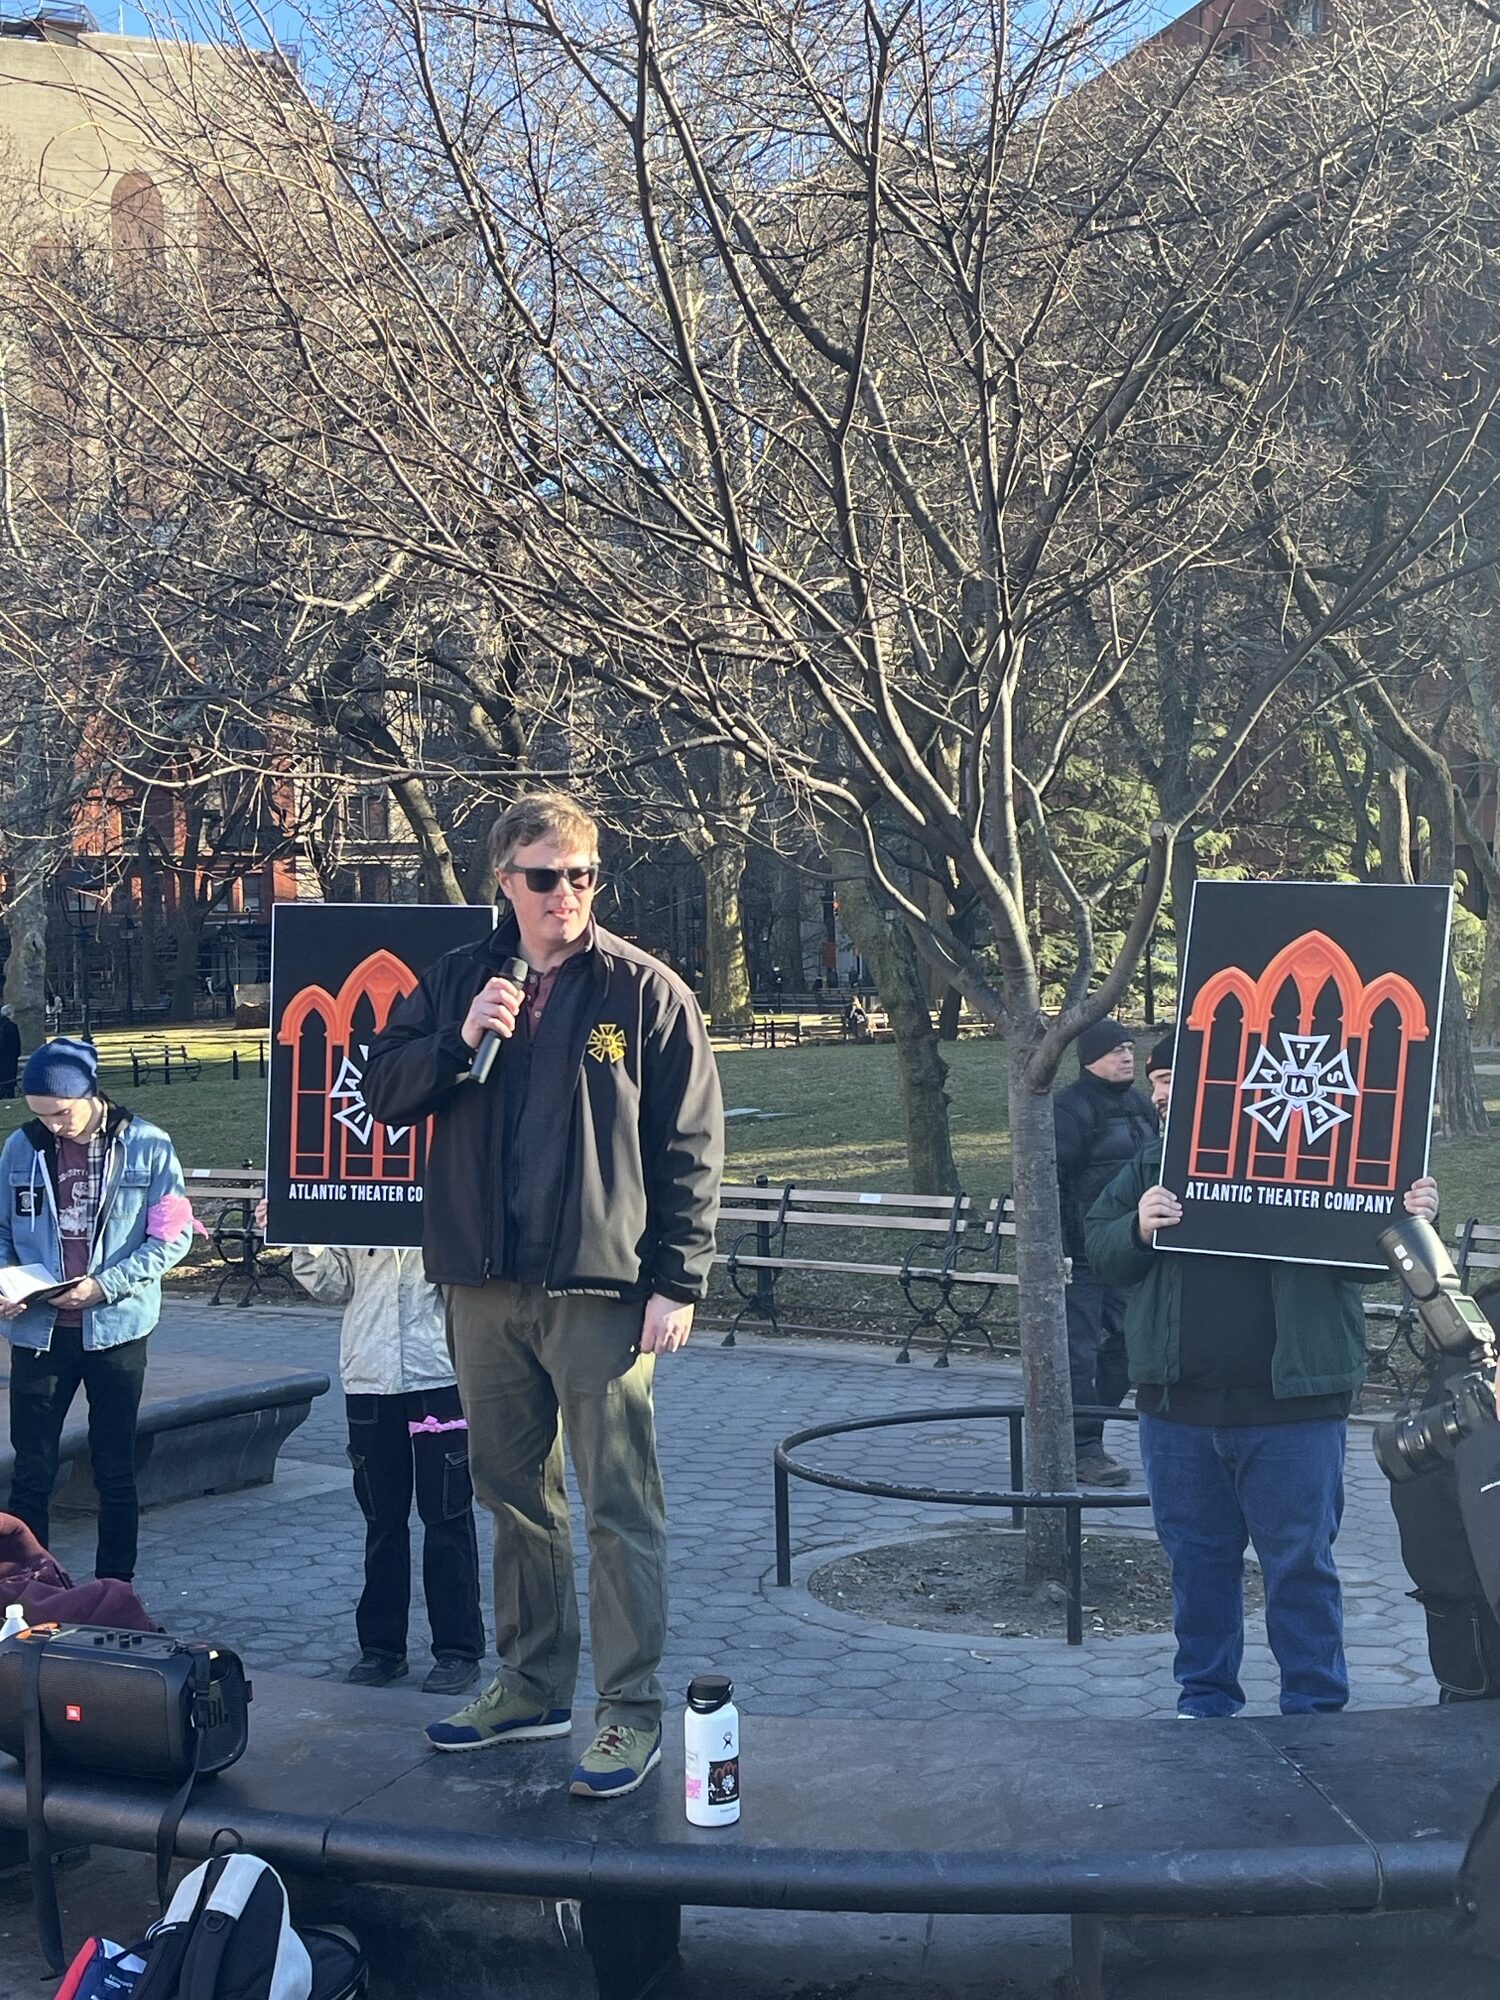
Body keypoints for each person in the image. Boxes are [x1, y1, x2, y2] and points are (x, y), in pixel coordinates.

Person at [362, 791, 724, 1800]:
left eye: (581, 874)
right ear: (503, 882)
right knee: (512, 1494)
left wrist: (676, 1279)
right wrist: (453, 1039)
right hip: (483, 1284)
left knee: (618, 1504)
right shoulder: (454, 983)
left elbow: (690, 1146)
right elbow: (384, 1091)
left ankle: (629, 1710)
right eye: (543, 875)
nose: (564, 892)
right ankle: (528, 1684)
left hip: (600, 1290)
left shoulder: (644, 990)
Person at [1084, 1057, 1439, 1719]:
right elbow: (1100, 1249)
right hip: (1179, 1410)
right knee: (1197, 1565)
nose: (1165, 1092)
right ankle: (1205, 1700)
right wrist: (1137, 1225)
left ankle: (1314, 1708)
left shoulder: (1328, 1153)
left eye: (1175, 1077)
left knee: (1299, 1566)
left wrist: (1413, 1219)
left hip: (1294, 1413)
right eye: (1160, 1080)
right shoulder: (1159, 1164)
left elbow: (1374, 1267)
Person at [257, 1200, 485, 1697]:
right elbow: (333, 1283)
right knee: (381, 1519)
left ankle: (458, 1649)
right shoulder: (355, 1196)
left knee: (446, 1515)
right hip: (370, 1378)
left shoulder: (451, 1190)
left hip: (439, 1376)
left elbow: (475, 1281)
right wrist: (301, 1229)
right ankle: (382, 1647)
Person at [0, 1038, 193, 1581]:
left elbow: (173, 1238)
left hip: (116, 1329)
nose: (53, 1126)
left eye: (61, 1112)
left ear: (89, 1093)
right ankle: (24, 1587)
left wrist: (105, 1287)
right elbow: (1, 1231)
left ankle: (116, 1587)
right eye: (39, 1115)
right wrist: (6, 1284)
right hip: (39, 1331)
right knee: (31, 1471)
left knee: (115, 1467)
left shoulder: (149, 1145)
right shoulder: (21, 1146)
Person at [1053, 1018, 1157, 1488]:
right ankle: (1080, 1448)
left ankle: (1088, 1433)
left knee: (1128, 1348)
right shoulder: (1068, 1109)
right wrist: (1058, 1250)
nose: (1127, 1057)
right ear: (1089, 1057)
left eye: (1130, 1049)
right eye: (1116, 1050)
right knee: (1079, 1353)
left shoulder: (1141, 1105)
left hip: (1128, 1249)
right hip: (1079, 1255)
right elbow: (1047, 1181)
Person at [0, 1005, 19, 1099]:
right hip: (9, 1056)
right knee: (9, 1076)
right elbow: (16, 1044)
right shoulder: (11, 1026)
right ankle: (9, 1094)